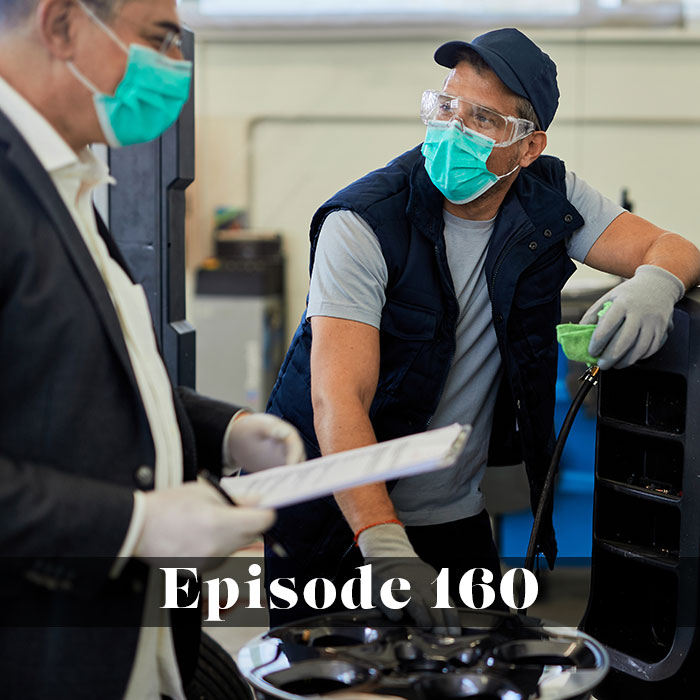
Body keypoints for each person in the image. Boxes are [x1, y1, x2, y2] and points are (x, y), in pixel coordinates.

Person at [265, 28, 700, 629]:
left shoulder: (548, 197)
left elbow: (669, 246)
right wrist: (383, 542)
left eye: (483, 118)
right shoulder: (363, 223)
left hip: (451, 512)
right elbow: (338, 397)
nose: (452, 130)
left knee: (487, 674)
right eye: (446, 107)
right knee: (342, 685)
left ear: (527, 148)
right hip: (335, 519)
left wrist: (657, 284)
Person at [0, 1, 305, 698]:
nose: (175, 70)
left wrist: (222, 428)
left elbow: (83, 372)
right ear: (61, 25)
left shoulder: (67, 177)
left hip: (143, 646)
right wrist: (134, 525)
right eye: (159, 41)